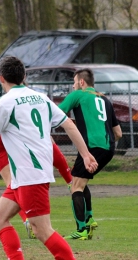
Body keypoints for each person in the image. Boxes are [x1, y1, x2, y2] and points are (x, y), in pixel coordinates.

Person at [0, 56, 98, 260]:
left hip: (30, 175)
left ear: (0, 79)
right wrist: (86, 154)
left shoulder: (4, 103)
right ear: (24, 76)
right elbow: (69, 124)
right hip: (24, 176)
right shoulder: (40, 97)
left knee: (42, 230)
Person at [58, 68, 122, 240]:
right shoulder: (105, 99)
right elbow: (119, 133)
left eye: (73, 82)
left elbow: (56, 114)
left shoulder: (78, 94)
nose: (73, 86)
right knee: (81, 181)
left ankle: (81, 230)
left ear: (81, 82)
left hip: (91, 147)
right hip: (108, 148)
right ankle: (90, 218)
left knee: (75, 186)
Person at [0, 134, 72, 239]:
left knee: (13, 185)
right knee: (17, 184)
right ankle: (70, 182)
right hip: (18, 136)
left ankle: (27, 221)